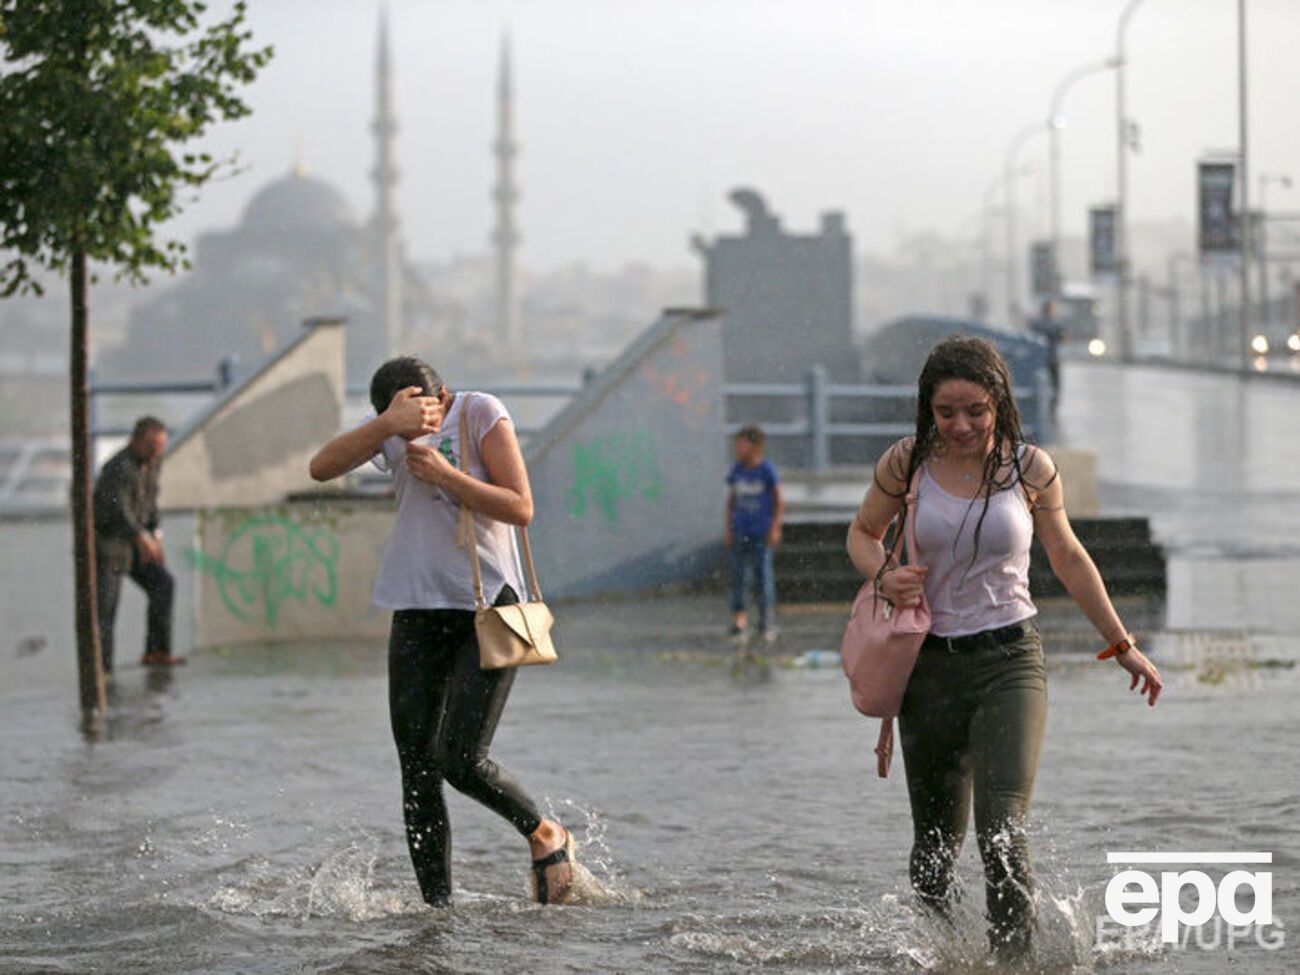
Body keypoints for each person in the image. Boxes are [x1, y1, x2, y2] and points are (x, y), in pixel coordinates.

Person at [845, 335, 1161, 963]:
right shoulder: (905, 463)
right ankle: (943, 957)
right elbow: (862, 533)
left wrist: (1121, 642)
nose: (961, 426)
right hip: (928, 668)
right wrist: (882, 573)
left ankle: (1011, 962)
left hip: (1010, 659)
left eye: (975, 411)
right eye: (946, 413)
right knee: (933, 849)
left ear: (999, 404)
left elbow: (1068, 556)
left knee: (1002, 833)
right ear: (927, 411)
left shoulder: (1029, 468)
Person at [308, 356, 578, 907]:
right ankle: (438, 909)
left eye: (429, 409)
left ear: (445, 394)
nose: (424, 423)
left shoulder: (480, 412)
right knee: (416, 765)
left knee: (461, 757)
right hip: (415, 605)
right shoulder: (392, 429)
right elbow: (320, 468)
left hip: (487, 605)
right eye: (409, 413)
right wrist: (388, 426)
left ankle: (546, 833)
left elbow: (521, 507)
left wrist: (448, 476)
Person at [93, 416, 181, 673]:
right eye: (152, 446)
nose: (157, 452)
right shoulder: (117, 468)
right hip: (111, 545)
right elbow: (118, 510)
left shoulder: (153, 465)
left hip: (137, 544)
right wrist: (142, 537)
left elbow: (151, 504)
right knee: (106, 610)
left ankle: (157, 650)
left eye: (161, 446)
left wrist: (156, 536)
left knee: (163, 584)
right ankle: (102, 669)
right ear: (136, 441)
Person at [725, 424, 784, 642]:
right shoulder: (737, 470)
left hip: (761, 533)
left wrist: (775, 526)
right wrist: (729, 528)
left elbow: (779, 499)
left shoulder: (766, 471)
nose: (737, 448)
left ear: (756, 446)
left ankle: (766, 621)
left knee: (763, 578)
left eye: (742, 443)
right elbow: (731, 500)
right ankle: (739, 619)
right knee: (739, 577)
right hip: (741, 532)